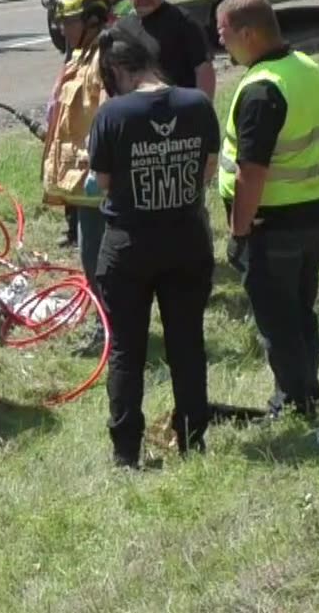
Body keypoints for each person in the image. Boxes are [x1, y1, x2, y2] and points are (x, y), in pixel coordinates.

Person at [86, 23, 220, 467]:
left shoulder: (113, 116)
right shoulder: (197, 104)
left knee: (127, 349)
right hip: (186, 240)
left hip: (129, 246)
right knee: (188, 343)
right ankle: (193, 440)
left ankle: (126, 452)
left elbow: (103, 182)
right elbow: (206, 171)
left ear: (119, 69)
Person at [215, 0, 319, 420]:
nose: (221, 41)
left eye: (224, 33)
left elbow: (252, 172)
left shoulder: (262, 89)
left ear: (248, 33)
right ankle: (308, 392)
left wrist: (239, 231)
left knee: (278, 324)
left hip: (271, 225)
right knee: (300, 313)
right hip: (311, 216)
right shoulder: (306, 68)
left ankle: (294, 402)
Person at [42, 0, 115, 315]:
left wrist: (105, 170)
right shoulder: (80, 55)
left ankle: (110, 325)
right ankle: (108, 322)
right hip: (84, 184)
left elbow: (112, 117)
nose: (63, 29)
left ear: (93, 20)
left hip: (100, 181)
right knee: (90, 256)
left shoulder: (107, 57)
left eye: (69, 22)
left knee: (101, 259)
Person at [120, 0, 215, 99]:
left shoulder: (183, 21)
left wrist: (203, 108)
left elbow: (203, 69)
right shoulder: (122, 28)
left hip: (178, 111)